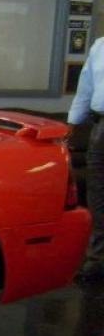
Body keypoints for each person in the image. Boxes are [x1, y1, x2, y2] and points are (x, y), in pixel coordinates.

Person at [69, 36, 104, 283]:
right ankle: (97, 260)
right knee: (98, 193)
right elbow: (86, 88)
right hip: (101, 126)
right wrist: (72, 124)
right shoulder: (100, 46)